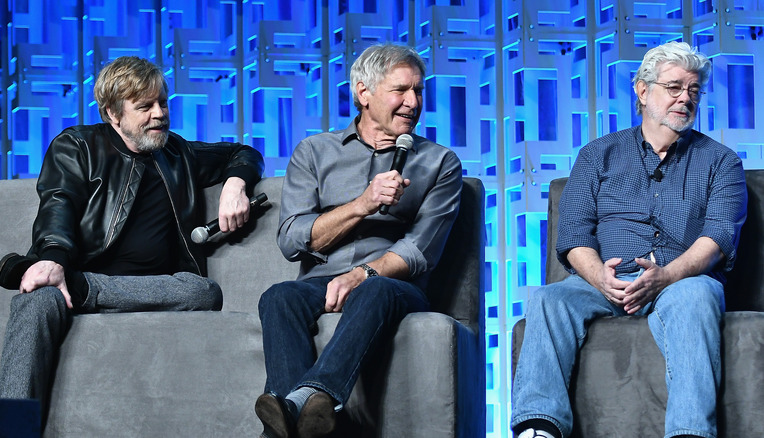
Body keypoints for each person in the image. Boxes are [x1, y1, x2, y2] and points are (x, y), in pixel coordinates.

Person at [0, 56, 264, 424]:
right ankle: (8, 431)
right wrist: (54, 261)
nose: (159, 114)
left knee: (204, 292)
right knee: (35, 302)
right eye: (145, 106)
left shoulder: (177, 153)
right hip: (71, 280)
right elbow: (58, 203)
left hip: (151, 286)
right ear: (112, 114)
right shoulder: (77, 146)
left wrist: (235, 183)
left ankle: (84, 288)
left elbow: (242, 152)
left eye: (163, 103)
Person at [510, 41, 747, 438]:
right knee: (549, 299)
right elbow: (572, 235)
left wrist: (667, 277)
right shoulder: (597, 155)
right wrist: (599, 277)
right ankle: (538, 428)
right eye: (674, 88)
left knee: (695, 297)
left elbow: (718, 237)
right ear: (642, 90)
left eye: (693, 90)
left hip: (681, 281)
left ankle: (689, 432)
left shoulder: (721, 161)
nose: (685, 98)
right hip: (606, 281)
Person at [254, 43, 463, 438]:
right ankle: (303, 417)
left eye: (419, 91)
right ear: (363, 92)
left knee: (376, 290)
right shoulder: (315, 152)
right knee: (278, 297)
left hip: (394, 286)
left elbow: (420, 249)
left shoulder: (440, 162)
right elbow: (291, 239)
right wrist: (362, 204)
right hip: (320, 281)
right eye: (400, 90)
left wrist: (362, 274)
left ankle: (301, 400)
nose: (413, 102)